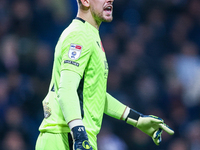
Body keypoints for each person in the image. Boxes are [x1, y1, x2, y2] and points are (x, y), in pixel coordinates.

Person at [35, 0, 174, 149]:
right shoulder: (79, 35)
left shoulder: (90, 34)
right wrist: (79, 135)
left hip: (74, 136)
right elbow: (66, 89)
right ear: (85, 1)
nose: (110, 0)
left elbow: (95, 94)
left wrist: (137, 119)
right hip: (66, 136)